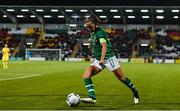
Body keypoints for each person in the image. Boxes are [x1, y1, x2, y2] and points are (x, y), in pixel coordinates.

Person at [81, 15, 140, 104]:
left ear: (93, 23)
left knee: (121, 77)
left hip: (108, 58)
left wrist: (102, 59)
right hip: (98, 59)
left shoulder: (100, 32)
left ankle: (135, 92)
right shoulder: (92, 31)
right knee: (86, 75)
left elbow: (104, 46)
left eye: (88, 25)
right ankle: (92, 97)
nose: (87, 27)